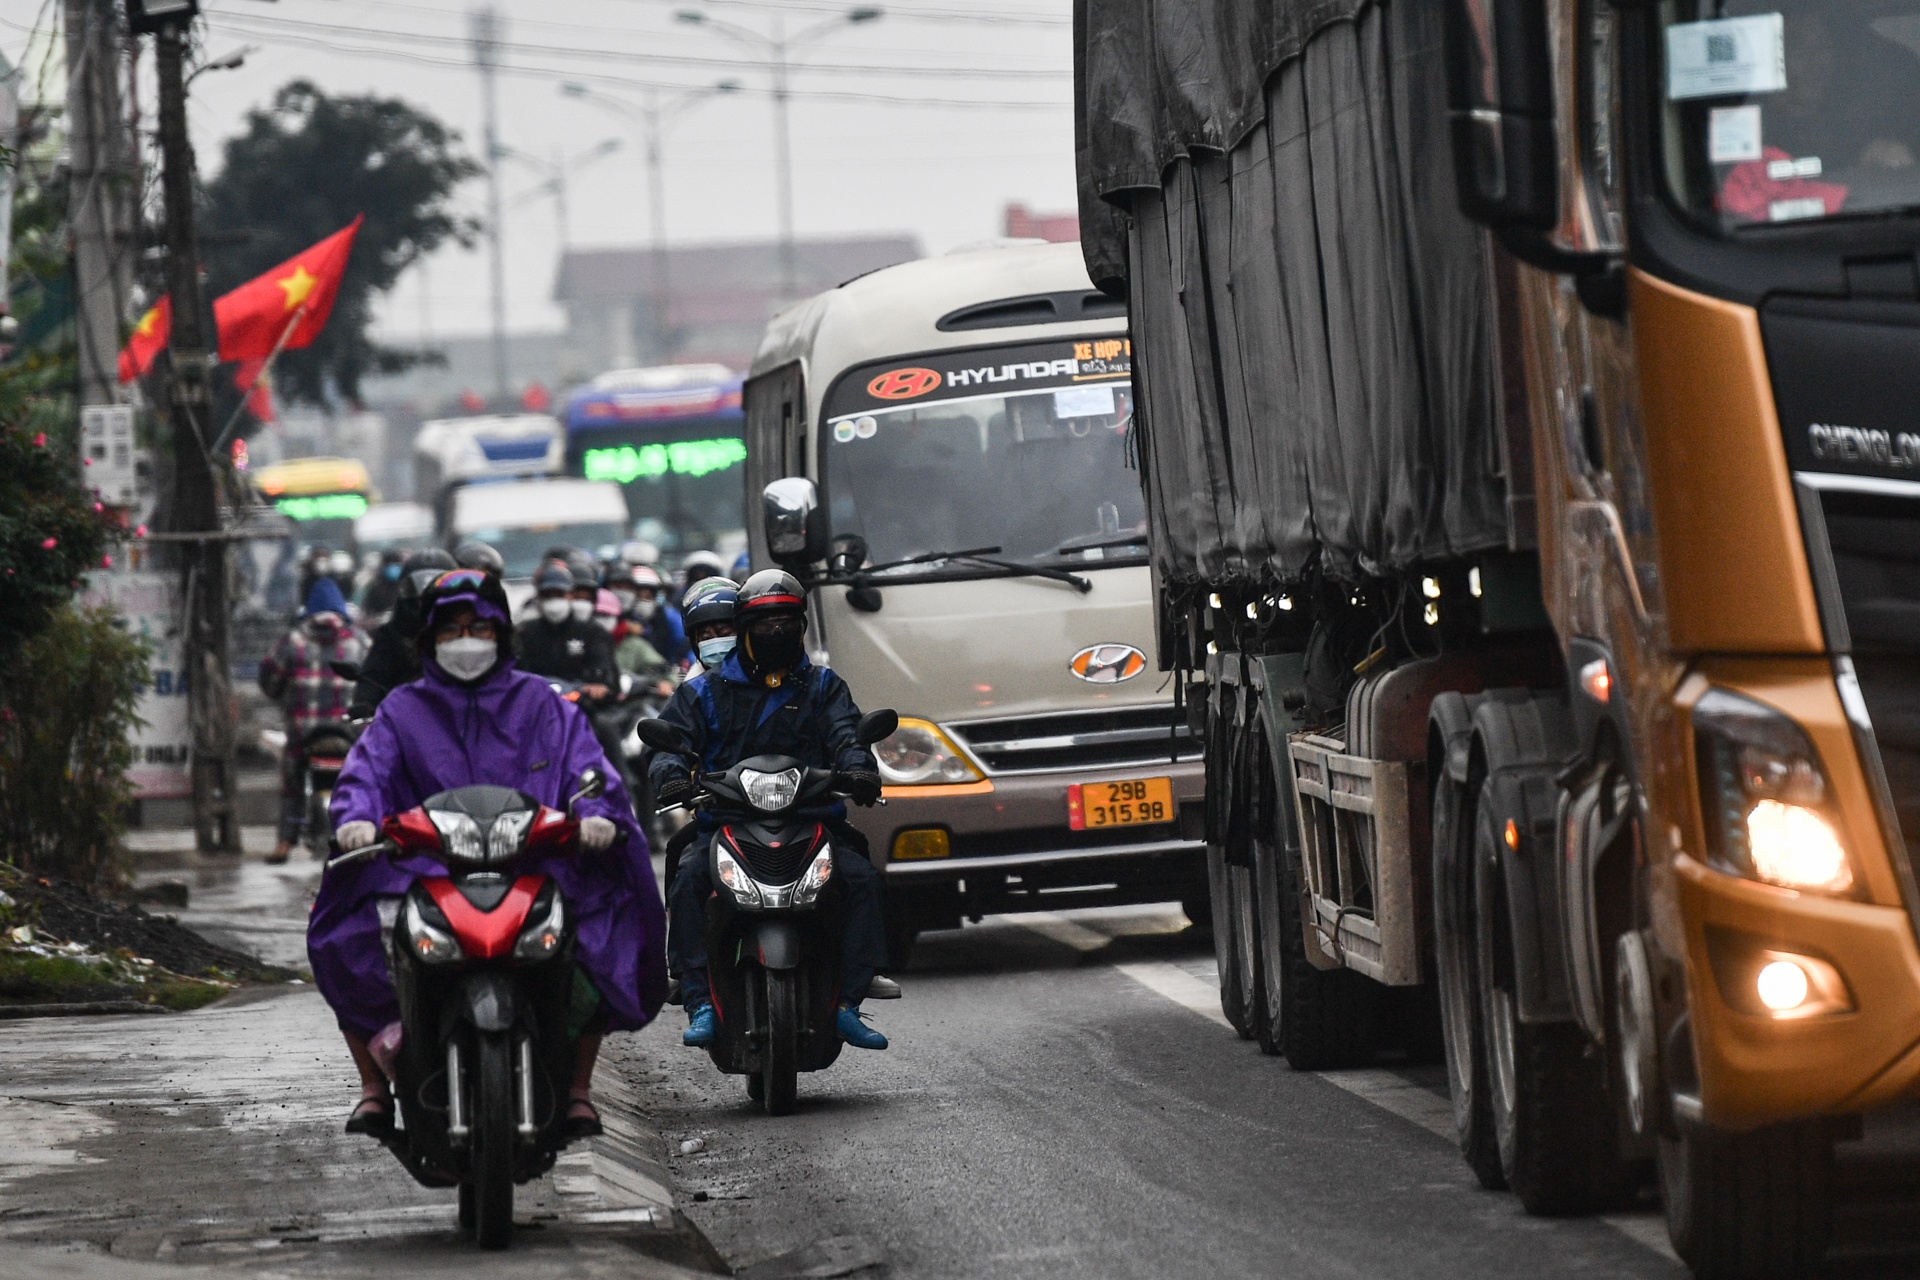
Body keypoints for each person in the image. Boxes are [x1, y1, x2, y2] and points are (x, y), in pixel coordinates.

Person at [313, 569, 666, 1136]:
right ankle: (374, 1086)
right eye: (451, 630)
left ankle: (578, 1089)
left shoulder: (544, 705)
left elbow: (588, 770)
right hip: (423, 865)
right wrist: (356, 819)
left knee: (600, 928)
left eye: (478, 627)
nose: (466, 640)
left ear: (501, 632)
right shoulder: (401, 709)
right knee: (346, 933)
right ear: (429, 639)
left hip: (535, 859)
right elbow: (366, 773)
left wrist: (597, 815)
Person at [648, 570, 892, 1051]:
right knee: (687, 876)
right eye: (764, 622)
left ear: (802, 626)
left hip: (813, 820)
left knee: (862, 878)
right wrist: (672, 775)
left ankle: (849, 999)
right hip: (725, 823)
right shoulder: (703, 692)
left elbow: (847, 735)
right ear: (744, 627)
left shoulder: (822, 687)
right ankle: (697, 997)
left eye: (786, 621)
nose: (775, 631)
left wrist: (859, 769)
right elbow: (669, 744)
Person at [259, 578, 371, 864]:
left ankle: (284, 842)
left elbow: (269, 681)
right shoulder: (360, 642)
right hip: (349, 734)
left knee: (292, 781)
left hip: (303, 734)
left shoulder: (292, 641)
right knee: (363, 778)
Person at [348, 549, 457, 719]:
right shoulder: (391, 636)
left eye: (436, 593)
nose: (427, 602)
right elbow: (372, 681)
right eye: (419, 595)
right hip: (403, 725)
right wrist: (365, 705)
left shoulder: (467, 632)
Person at [516, 561, 617, 699]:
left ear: (571, 595)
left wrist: (599, 687)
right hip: (537, 701)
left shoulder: (593, 633)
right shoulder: (525, 633)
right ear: (539, 597)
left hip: (582, 703)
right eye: (548, 595)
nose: (554, 601)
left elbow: (605, 672)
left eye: (559, 594)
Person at [630, 564, 690, 666]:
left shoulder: (668, 616)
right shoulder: (620, 617)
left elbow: (683, 641)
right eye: (639, 593)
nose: (644, 598)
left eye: (650, 594)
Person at [358, 549, 408, 622]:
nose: (393, 567)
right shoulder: (375, 587)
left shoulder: (406, 586)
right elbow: (367, 611)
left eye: (396, 564)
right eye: (390, 564)